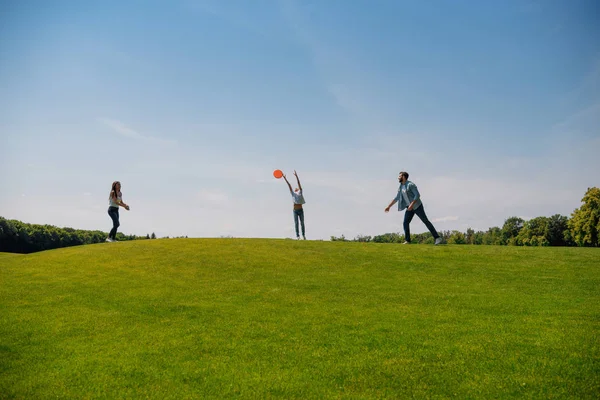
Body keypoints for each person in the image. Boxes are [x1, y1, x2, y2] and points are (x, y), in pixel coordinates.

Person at [384, 171, 442, 245]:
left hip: (417, 206)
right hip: (409, 208)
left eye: (399, 176)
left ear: (403, 177)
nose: (398, 177)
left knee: (425, 221)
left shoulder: (410, 185)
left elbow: (417, 195)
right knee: (405, 222)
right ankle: (407, 240)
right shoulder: (401, 186)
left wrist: (411, 204)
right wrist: (389, 206)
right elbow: (397, 197)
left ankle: (437, 238)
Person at [282, 170, 306, 240]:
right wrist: (285, 178)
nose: (296, 188)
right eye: (295, 188)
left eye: (297, 188)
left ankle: (303, 235)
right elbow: (289, 185)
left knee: (302, 223)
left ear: (298, 189)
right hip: (295, 211)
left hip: (300, 210)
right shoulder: (293, 194)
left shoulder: (300, 192)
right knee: (296, 223)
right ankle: (297, 236)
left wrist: (296, 176)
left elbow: (299, 183)